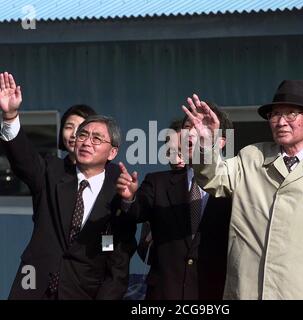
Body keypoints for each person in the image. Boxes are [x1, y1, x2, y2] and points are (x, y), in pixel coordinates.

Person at [182, 80, 303, 300]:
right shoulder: (252, 157)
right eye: (275, 115)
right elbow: (213, 179)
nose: (281, 122)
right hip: (247, 291)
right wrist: (206, 143)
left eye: (291, 114)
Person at [0, 72, 136, 299]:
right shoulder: (52, 171)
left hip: (82, 291)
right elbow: (24, 160)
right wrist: (11, 116)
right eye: (82, 135)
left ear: (112, 152)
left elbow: (117, 264)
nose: (85, 142)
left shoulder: (118, 191)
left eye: (96, 139)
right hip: (33, 284)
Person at [117, 103, 233, 300]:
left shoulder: (237, 184)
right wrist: (129, 198)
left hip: (214, 292)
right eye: (188, 128)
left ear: (221, 142)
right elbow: (137, 212)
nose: (191, 134)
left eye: (200, 128)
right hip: (165, 292)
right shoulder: (159, 182)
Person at [137, 119, 185, 265]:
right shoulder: (156, 186)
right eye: (171, 152)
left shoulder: (215, 189)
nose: (176, 159)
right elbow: (144, 253)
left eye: (182, 151)